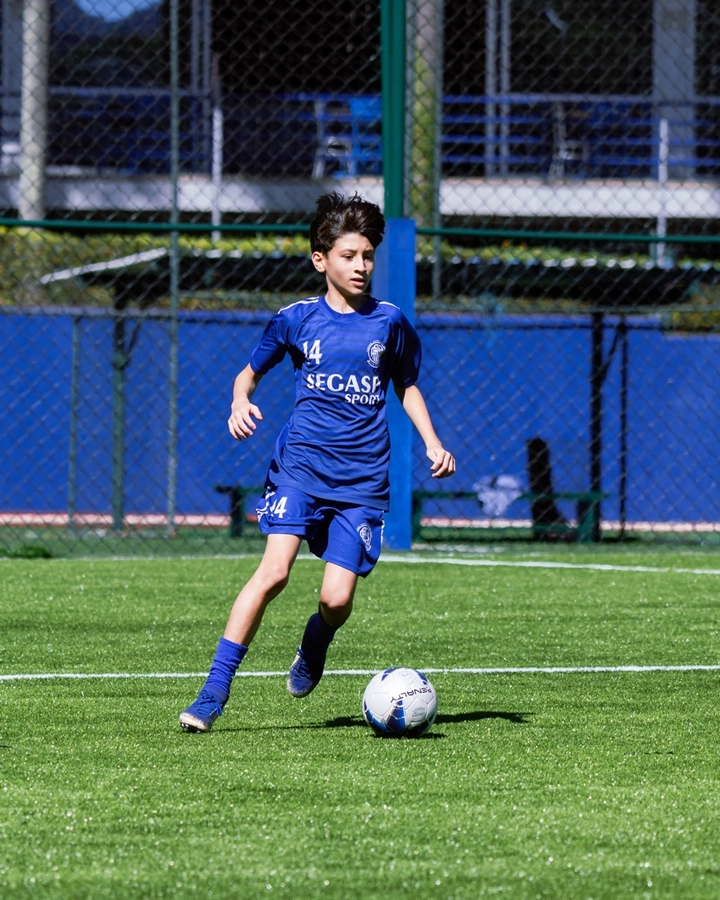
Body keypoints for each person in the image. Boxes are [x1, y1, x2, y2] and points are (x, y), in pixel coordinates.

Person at [179, 191, 455, 733]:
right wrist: (240, 401)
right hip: (300, 468)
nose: (361, 266)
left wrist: (431, 442)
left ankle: (315, 643)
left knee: (336, 599)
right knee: (274, 571)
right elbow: (248, 374)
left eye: (368, 256)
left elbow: (408, 385)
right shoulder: (295, 320)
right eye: (349, 255)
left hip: (361, 481)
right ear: (320, 259)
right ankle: (213, 694)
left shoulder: (390, 322)